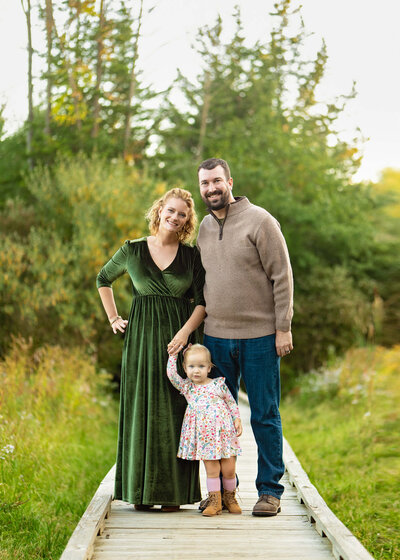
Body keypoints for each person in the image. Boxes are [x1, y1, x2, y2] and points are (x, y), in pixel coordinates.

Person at [96, 188, 206, 511]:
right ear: (159, 210)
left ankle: (173, 494)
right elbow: (103, 278)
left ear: (187, 221)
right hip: (141, 341)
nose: (174, 217)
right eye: (170, 211)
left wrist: (185, 334)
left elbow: (202, 303)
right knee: (143, 410)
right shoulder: (132, 250)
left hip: (178, 343)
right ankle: (140, 492)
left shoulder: (191, 257)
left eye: (182, 214)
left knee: (175, 414)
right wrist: (114, 317)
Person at [196, 158, 294, 517]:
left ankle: (270, 491)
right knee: (217, 419)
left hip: (260, 337)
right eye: (205, 183)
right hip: (217, 338)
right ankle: (222, 493)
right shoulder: (204, 227)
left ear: (230, 182)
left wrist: (282, 326)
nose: (211, 188)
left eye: (217, 181)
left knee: (264, 414)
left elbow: (282, 276)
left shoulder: (261, 221)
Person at [166, 344, 242, 516]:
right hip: (205, 437)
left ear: (209, 367)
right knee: (212, 470)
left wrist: (237, 418)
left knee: (229, 468)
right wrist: (173, 355)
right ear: (185, 368)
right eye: (191, 366)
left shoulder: (218, 384)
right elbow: (171, 375)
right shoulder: (188, 387)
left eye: (201, 366)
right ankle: (214, 501)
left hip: (224, 433)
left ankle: (230, 498)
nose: (196, 371)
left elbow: (231, 402)